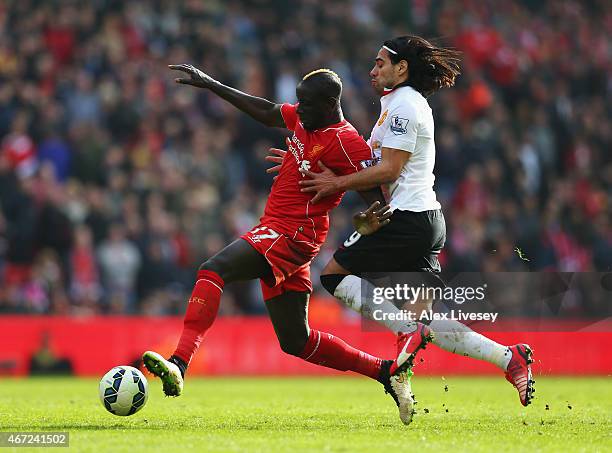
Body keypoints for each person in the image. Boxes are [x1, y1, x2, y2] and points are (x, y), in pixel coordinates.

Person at [142, 63, 430, 425]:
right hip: (280, 230)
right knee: (297, 341)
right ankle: (386, 371)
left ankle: (180, 362)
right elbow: (266, 111)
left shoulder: (346, 141)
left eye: (306, 104)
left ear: (329, 104)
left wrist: (357, 211)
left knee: (212, 271)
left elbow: (376, 197)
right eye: (298, 102)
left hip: (293, 233)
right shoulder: (305, 120)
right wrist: (211, 83)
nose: (299, 110)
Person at [268, 36, 534, 407]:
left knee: (333, 276)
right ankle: (509, 358)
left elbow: (390, 168)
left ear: (401, 68)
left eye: (380, 64)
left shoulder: (405, 106)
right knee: (434, 325)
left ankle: (405, 331)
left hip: (407, 219)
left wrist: (335, 183)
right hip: (423, 220)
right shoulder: (397, 104)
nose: (372, 70)